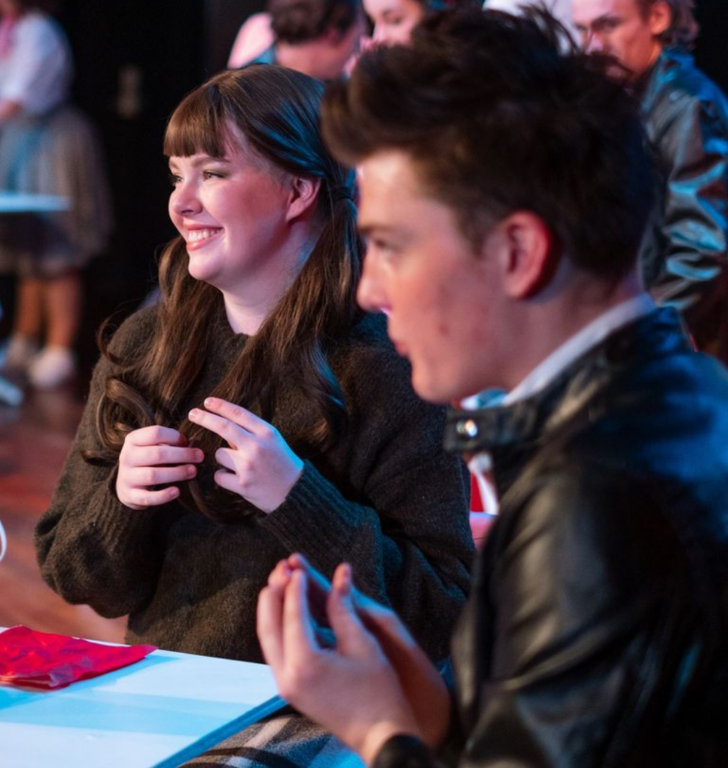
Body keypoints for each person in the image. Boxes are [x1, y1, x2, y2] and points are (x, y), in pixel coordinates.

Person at [256, 8, 728, 767]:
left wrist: (380, 734)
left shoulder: (595, 496)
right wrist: (435, 717)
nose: (369, 289)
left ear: (518, 251)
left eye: (389, 245)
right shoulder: (684, 391)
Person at [35, 65, 474, 764]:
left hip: (321, 716)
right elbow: (75, 577)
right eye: (176, 176)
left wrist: (300, 499)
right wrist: (122, 499)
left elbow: (440, 613)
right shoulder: (143, 346)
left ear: (298, 190)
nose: (181, 204)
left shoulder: (386, 367)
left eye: (212, 173)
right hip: (166, 703)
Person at [0, 0, 112, 389]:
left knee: (55, 247)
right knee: (26, 250)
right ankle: (23, 341)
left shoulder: (38, 31)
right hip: (17, 139)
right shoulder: (5, 32)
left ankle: (59, 349)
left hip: (48, 139)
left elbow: (13, 100)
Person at [572, 0, 728, 362]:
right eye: (582, 30)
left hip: (686, 350)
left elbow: (702, 251)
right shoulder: (631, 96)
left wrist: (635, 334)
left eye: (608, 25)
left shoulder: (686, 105)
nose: (592, 46)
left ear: (658, 17)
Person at [243, 0, 365, 81]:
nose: (357, 52)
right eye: (356, 43)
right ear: (330, 34)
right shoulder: (248, 100)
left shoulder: (243, 86)